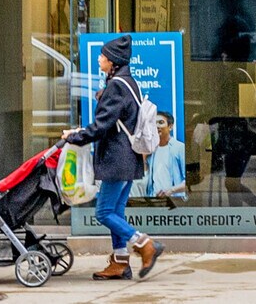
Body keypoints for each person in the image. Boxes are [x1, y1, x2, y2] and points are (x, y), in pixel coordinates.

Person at [64, 36, 160, 281]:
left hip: (117, 159)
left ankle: (145, 243)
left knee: (104, 212)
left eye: (103, 56)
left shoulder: (117, 85)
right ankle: (120, 263)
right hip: (129, 157)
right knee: (116, 211)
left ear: (113, 61)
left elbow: (102, 126)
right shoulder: (128, 82)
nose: (99, 59)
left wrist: (75, 137)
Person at [142, 112, 188, 202]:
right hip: (154, 202)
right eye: (154, 123)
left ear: (170, 127)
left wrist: (171, 190)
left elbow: (189, 181)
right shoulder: (150, 150)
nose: (157, 126)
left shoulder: (179, 148)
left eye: (161, 122)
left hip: (175, 202)